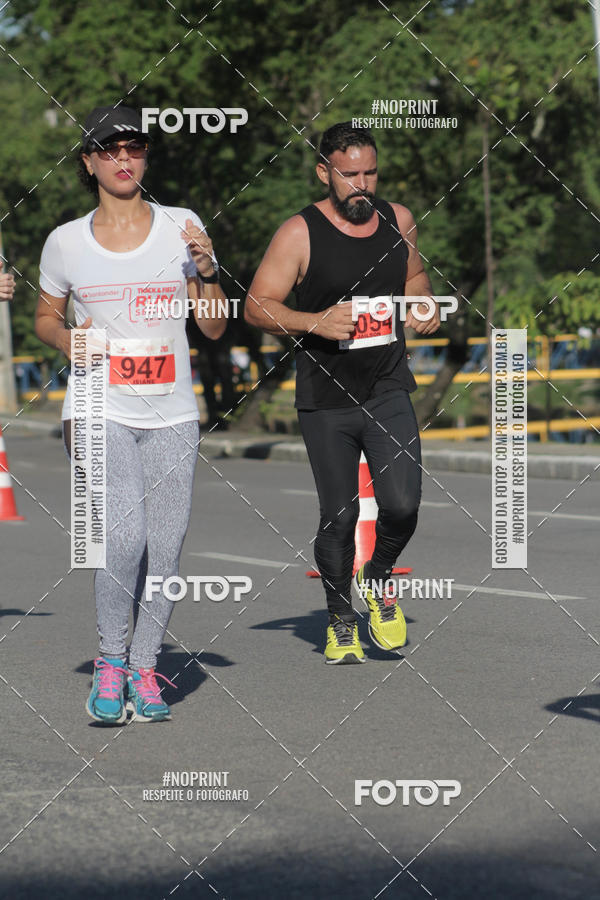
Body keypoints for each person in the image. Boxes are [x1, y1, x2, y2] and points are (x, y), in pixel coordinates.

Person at [35, 106, 227, 721]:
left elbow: (215, 327)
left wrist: (209, 273)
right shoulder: (65, 240)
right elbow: (43, 317)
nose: (124, 160)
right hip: (97, 405)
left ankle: (146, 668)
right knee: (125, 535)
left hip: (171, 410)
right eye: (110, 149)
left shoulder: (182, 225)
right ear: (89, 161)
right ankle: (110, 660)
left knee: (165, 548)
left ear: (145, 158)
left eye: (135, 149)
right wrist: (71, 340)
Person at [245, 122, 440, 664]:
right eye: (349, 174)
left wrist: (422, 304)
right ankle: (339, 617)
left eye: (370, 173)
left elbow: (415, 278)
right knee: (341, 516)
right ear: (324, 172)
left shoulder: (398, 220)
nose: (362, 184)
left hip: (387, 386)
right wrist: (314, 322)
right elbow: (257, 306)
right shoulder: (299, 233)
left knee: (403, 505)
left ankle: (376, 579)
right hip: (326, 397)